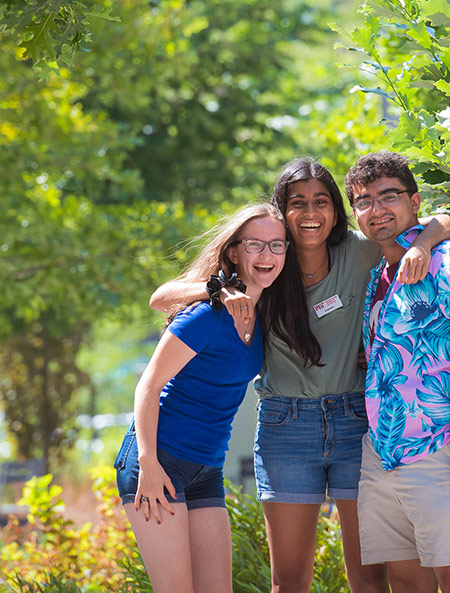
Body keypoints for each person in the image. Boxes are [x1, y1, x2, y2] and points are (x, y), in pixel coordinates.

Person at [150, 157, 450, 593]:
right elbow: (161, 297)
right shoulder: (267, 260)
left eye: (321, 201)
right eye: (298, 203)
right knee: (291, 581)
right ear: (282, 210)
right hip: (285, 427)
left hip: (356, 421)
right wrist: (219, 289)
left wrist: (423, 245)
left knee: (369, 578)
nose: (311, 213)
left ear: (337, 210)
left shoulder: (360, 251)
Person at [115, 202, 303, 593]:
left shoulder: (266, 314)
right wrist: (148, 466)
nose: (267, 255)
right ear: (234, 252)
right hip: (159, 461)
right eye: (255, 245)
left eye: (277, 245)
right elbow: (148, 386)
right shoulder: (207, 315)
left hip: (205, 469)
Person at [345, 151, 450, 593]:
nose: (376, 210)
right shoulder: (379, 272)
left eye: (388, 196)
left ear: (415, 202)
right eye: (363, 201)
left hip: (443, 445)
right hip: (383, 451)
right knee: (405, 581)